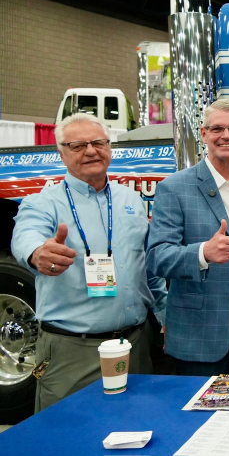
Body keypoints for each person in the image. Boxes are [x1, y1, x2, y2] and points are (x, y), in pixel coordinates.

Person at [11, 113, 166, 412]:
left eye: (97, 142)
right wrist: (36, 253)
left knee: (137, 428)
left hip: (135, 346)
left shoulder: (131, 199)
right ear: (62, 153)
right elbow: (26, 235)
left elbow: (146, 265)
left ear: (109, 147)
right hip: (73, 352)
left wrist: (164, 312)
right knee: (68, 437)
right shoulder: (42, 203)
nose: (91, 151)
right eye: (78, 145)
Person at [146, 99, 229, 376]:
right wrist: (202, 253)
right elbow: (157, 257)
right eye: (217, 128)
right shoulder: (174, 187)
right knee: (198, 417)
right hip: (200, 332)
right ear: (203, 134)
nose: (226, 135)